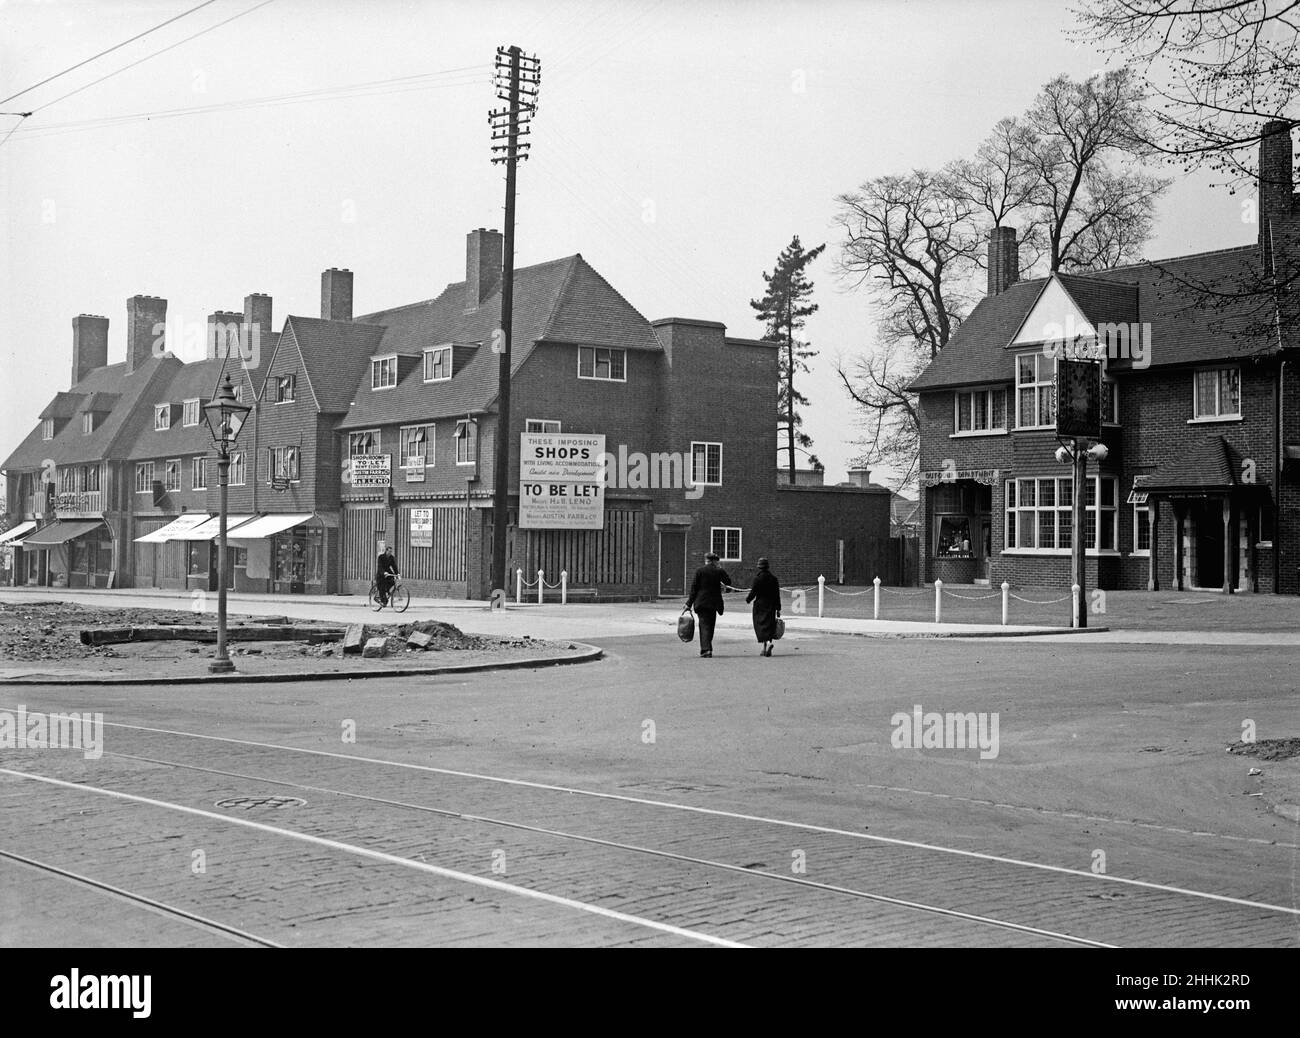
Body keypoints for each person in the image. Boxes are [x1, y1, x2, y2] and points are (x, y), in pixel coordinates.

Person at [685, 551, 732, 658]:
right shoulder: (718, 571)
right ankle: (708, 648)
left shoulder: (699, 571)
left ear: (706, 560)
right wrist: (720, 569)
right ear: (714, 561)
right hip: (714, 604)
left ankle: (706, 650)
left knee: (704, 626)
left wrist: (688, 604)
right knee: (710, 626)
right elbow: (728, 582)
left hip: (701, 603)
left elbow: (694, 589)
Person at [746, 557, 781, 656]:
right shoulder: (774, 579)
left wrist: (748, 599)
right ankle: (768, 644)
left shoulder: (757, 578)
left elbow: (753, 592)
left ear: (759, 567)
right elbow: (777, 595)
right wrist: (778, 608)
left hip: (760, 605)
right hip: (771, 605)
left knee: (760, 625)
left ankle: (764, 647)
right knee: (769, 625)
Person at [375, 543, 399, 607]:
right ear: (386, 551)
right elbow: (380, 566)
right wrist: (384, 572)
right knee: (382, 587)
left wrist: (397, 574)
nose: (390, 553)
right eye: (389, 551)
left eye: (391, 551)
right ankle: (382, 600)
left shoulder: (391, 558)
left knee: (392, 582)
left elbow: (394, 566)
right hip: (381, 574)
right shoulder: (381, 557)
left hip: (388, 573)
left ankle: (386, 590)